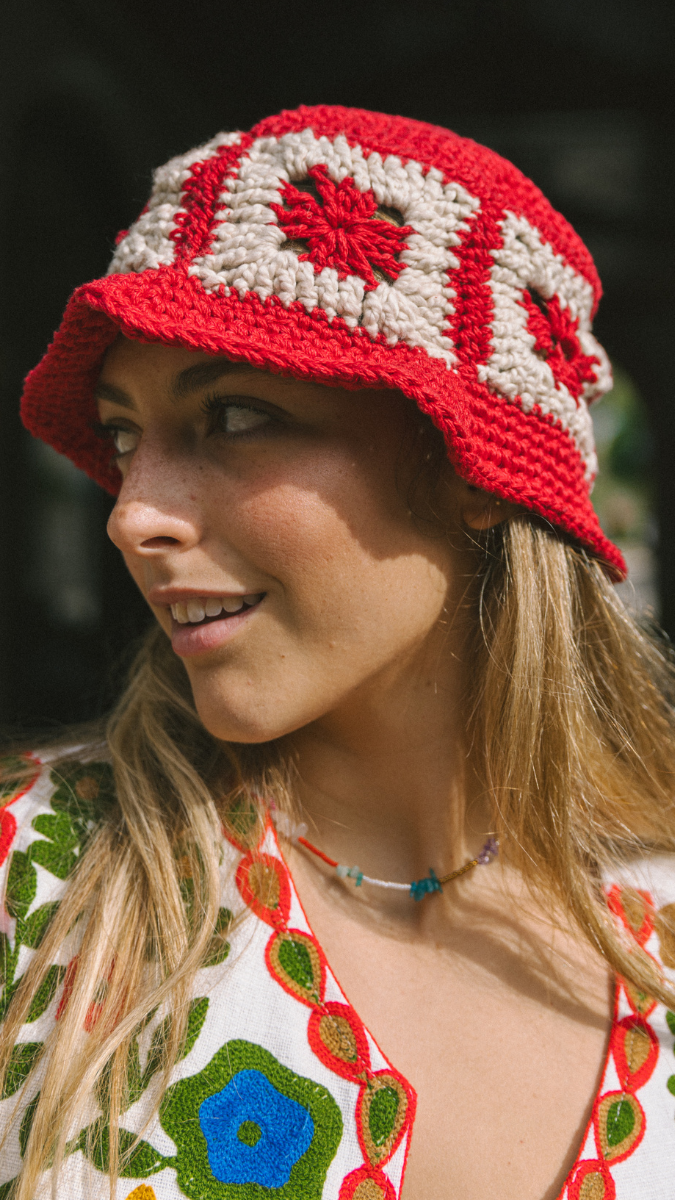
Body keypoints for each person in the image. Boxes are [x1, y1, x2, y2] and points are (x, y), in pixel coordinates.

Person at [1, 104, 674, 1200]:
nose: (131, 515)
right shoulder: (36, 890)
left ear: (471, 471)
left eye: (233, 417)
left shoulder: (658, 930)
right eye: (125, 435)